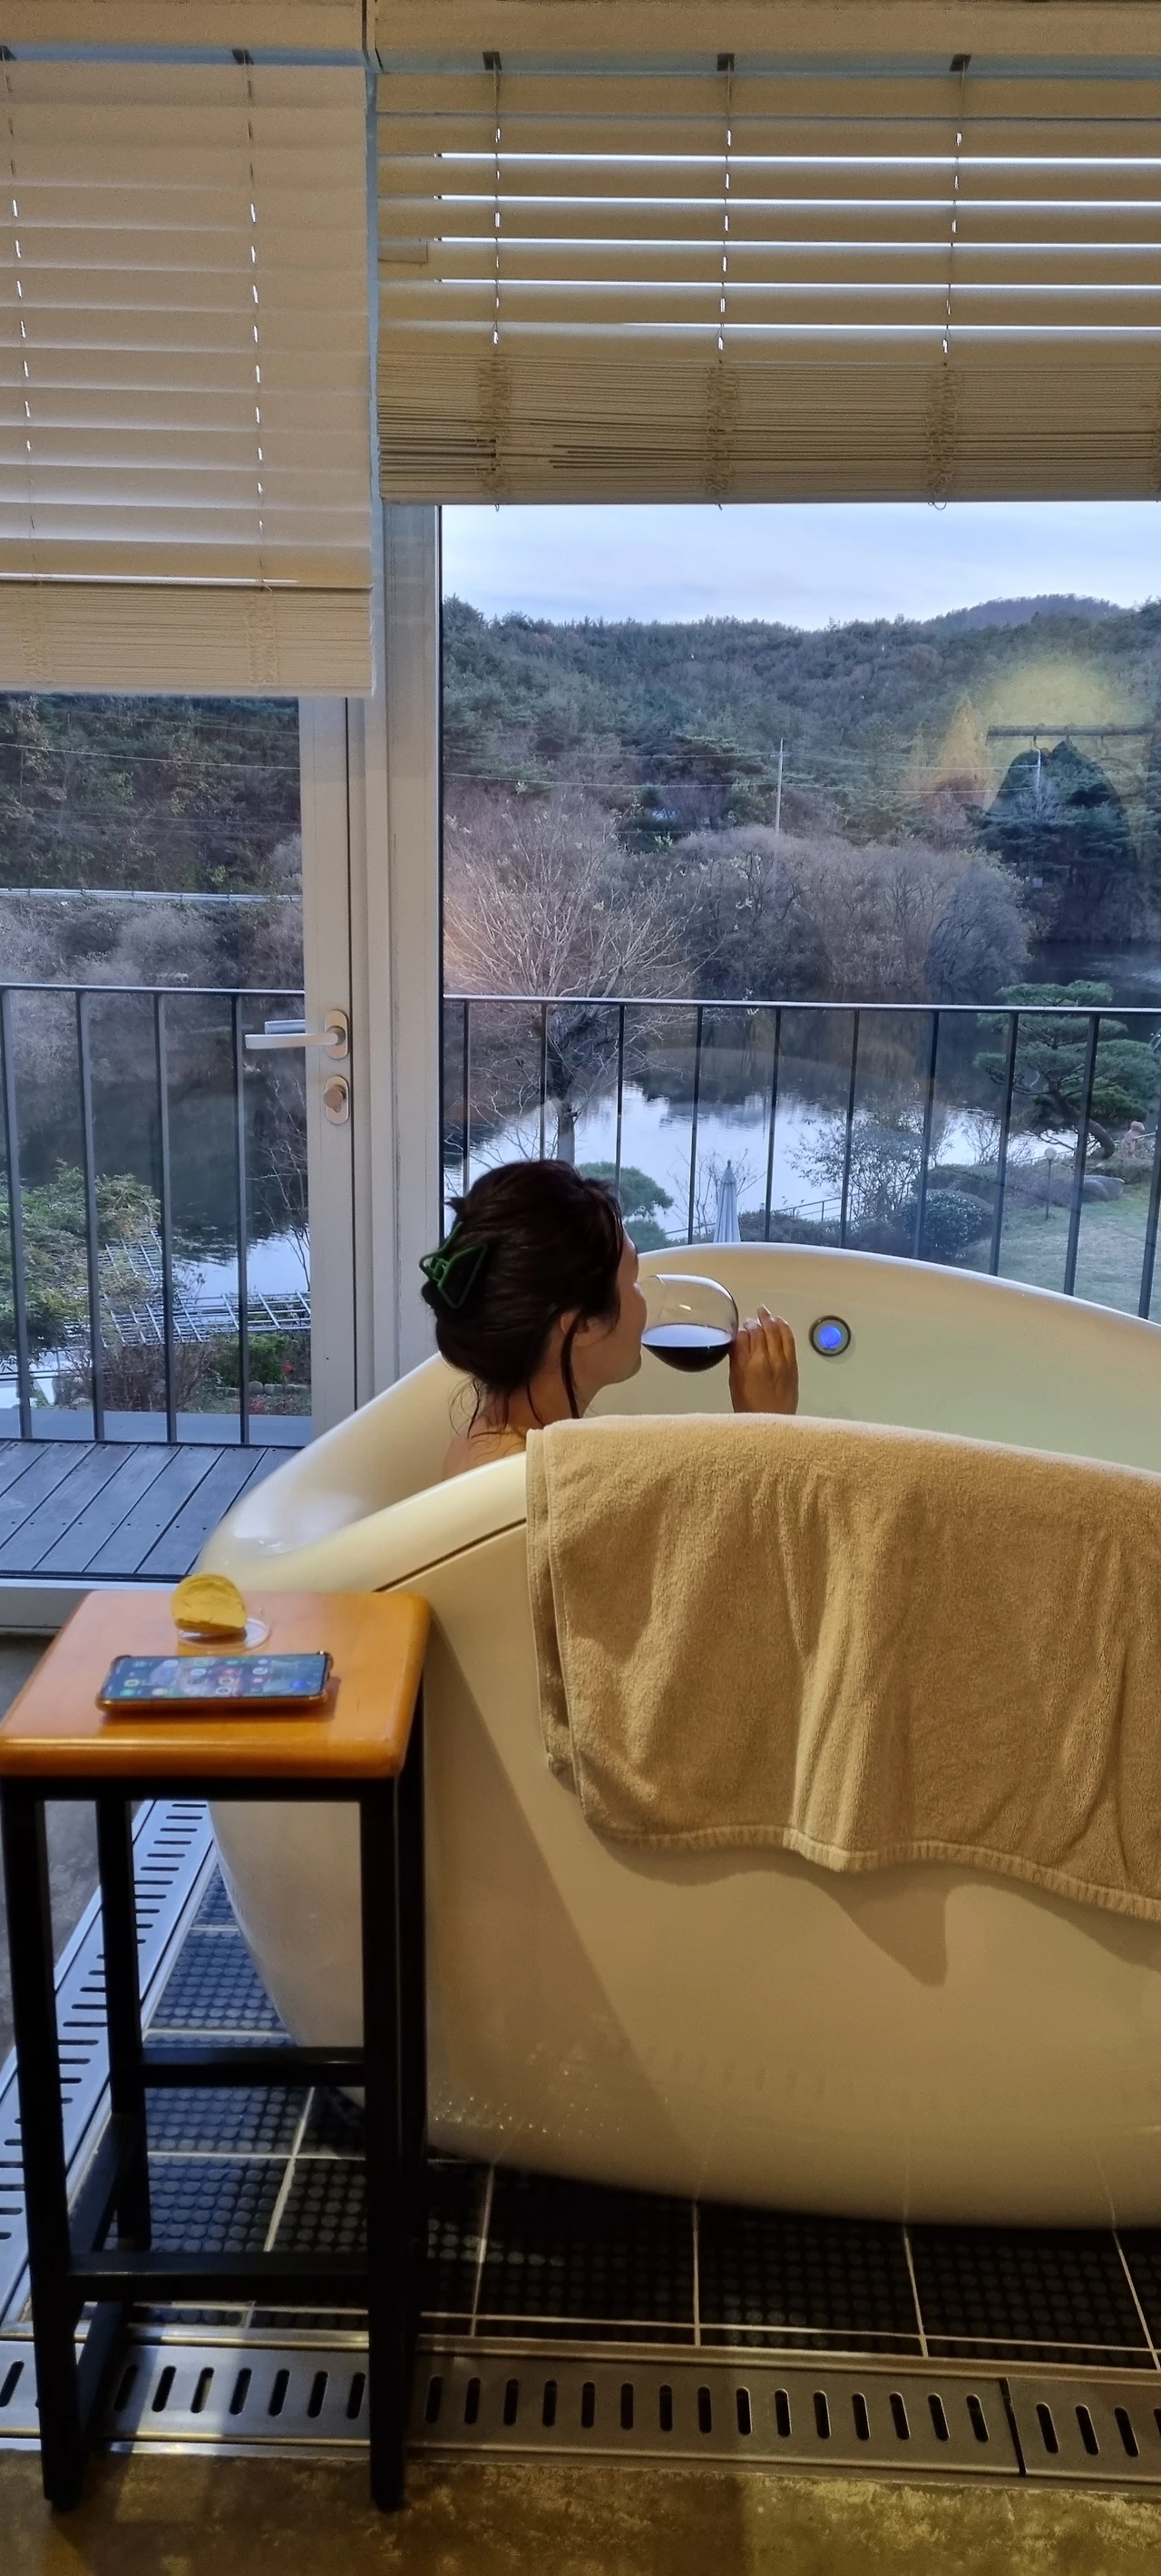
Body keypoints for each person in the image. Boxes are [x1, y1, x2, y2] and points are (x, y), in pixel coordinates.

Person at [420, 1160, 798, 1480]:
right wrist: (767, 1429)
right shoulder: (549, 1487)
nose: (646, 1299)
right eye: (633, 1280)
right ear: (583, 1324)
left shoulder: (483, 1439)